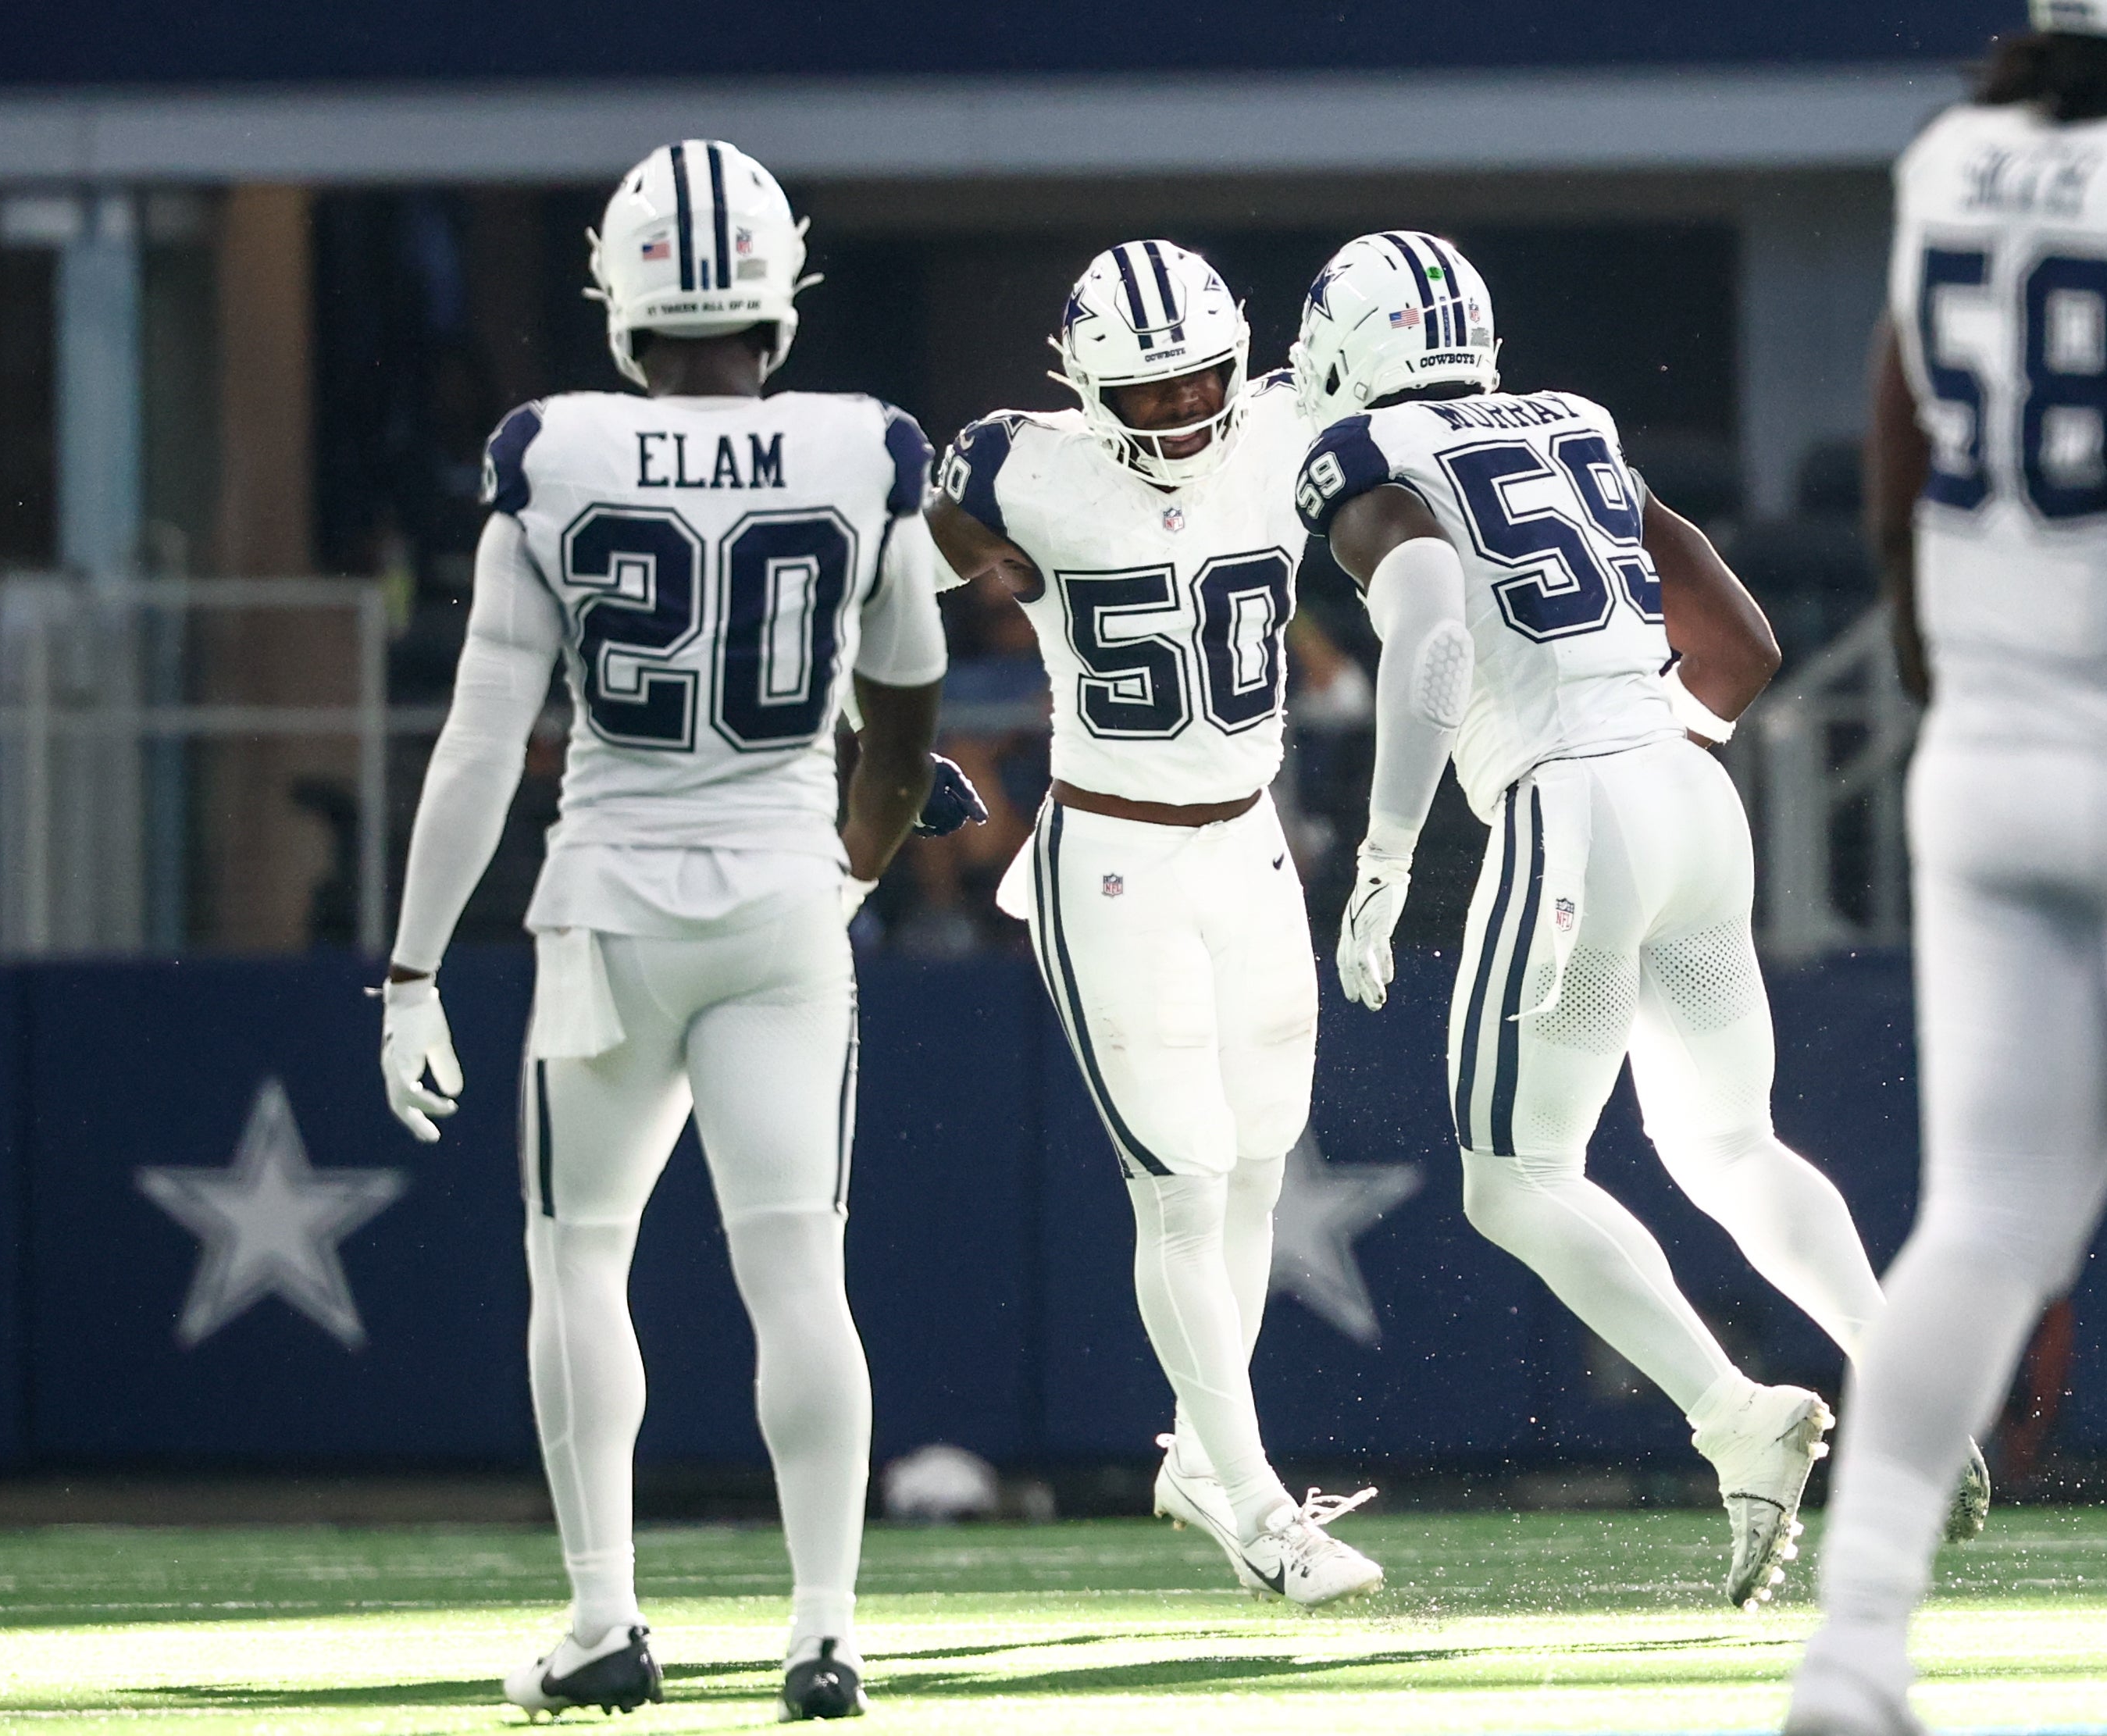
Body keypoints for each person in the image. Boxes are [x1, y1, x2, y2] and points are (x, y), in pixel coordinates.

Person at [1289, 230, 1991, 1616]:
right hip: (1689, 791)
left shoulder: (1365, 458)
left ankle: (1734, 1414)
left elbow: (1428, 626)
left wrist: (1382, 846)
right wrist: (1643, 749)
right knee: (1728, 1141)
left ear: (1344, 354)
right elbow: (1739, 647)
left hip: (1568, 808)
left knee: (1512, 1175)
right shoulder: (1574, 423)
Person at [375, 140, 967, 1723]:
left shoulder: (549, 456)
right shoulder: (862, 454)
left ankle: (602, 1617)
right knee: (796, 1274)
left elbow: (478, 746)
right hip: (780, 898)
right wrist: (839, 876)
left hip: (606, 916)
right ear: (780, 303)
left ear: (615, 303)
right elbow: (904, 745)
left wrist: (412, 965)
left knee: (577, 1260)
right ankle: (823, 1629)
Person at [1788, 8, 2107, 1730]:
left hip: (1984, 751)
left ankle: (1852, 1647)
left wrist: (1945, 673)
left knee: (1982, 1217)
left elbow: (1890, 447)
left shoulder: (1947, 163)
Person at [927, 241, 1383, 1606]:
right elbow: (905, 532)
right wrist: (961, 565)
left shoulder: (1293, 421)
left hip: (1249, 844)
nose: (1183, 411)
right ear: (1082, 387)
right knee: (1178, 1179)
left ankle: (1198, 1452)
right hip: (1111, 849)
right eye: (1149, 392)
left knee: (1251, 1162)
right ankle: (1252, 1501)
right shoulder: (1027, 465)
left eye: (1200, 381)